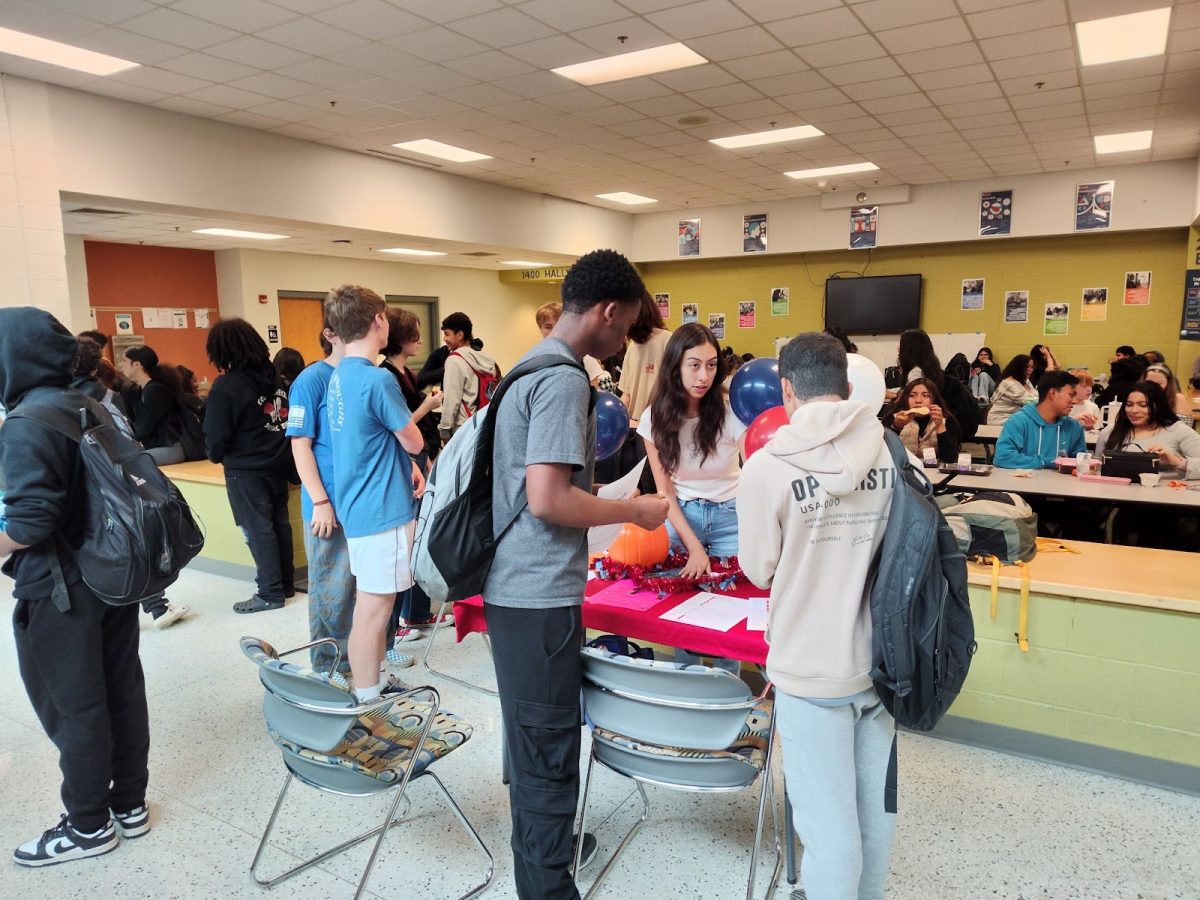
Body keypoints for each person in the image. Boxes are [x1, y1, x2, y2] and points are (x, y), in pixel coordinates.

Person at [484, 249, 668, 900]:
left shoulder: (526, 367)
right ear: (608, 311)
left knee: (532, 748)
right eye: (625, 330)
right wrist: (634, 510)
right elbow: (548, 499)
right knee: (547, 761)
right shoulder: (564, 378)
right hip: (538, 600)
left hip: (513, 593)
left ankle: (545, 861)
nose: (623, 346)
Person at [738, 331, 901, 900]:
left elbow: (759, 570)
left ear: (785, 387)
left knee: (827, 828)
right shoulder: (886, 450)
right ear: (846, 384)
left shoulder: (765, 468)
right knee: (872, 815)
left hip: (808, 669)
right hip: (881, 663)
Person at [1, 308, 151, 867]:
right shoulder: (88, 403)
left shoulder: (26, 422)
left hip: (61, 587)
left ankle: (87, 826)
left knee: (74, 707)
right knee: (121, 689)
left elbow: (30, 521)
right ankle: (128, 804)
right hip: (113, 576)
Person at [324, 285, 427, 700]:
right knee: (374, 610)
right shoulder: (377, 379)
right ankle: (368, 697)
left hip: (360, 503)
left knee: (372, 606)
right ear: (378, 321)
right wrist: (411, 457)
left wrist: (405, 466)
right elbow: (415, 441)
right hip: (381, 509)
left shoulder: (338, 375)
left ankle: (376, 681)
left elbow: (368, 441)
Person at [638, 323, 746, 673]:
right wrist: (694, 546)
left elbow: (759, 470)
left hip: (732, 517)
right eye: (694, 365)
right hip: (681, 517)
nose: (704, 375)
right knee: (683, 613)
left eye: (712, 365)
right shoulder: (654, 418)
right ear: (675, 366)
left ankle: (729, 691)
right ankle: (690, 683)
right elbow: (665, 491)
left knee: (731, 611)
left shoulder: (732, 413)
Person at [74, 340, 190, 630]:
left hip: (92, 481)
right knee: (132, 538)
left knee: (120, 541)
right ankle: (156, 605)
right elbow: (126, 436)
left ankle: (154, 606)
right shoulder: (106, 398)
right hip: (112, 478)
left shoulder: (63, 401)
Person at [204, 319, 295, 614]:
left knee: (258, 529)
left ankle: (269, 592)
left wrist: (215, 455)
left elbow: (216, 435)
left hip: (246, 469)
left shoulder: (226, 386)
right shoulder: (276, 378)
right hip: (279, 461)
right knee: (279, 524)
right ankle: (285, 584)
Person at [379, 308, 451, 651]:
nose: (421, 341)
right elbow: (402, 422)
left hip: (419, 458)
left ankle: (416, 611)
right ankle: (401, 624)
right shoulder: (385, 376)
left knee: (419, 538)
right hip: (407, 462)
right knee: (409, 543)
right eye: (415, 335)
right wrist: (429, 404)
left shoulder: (404, 372)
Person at [285, 325, 355, 682]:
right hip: (327, 503)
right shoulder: (311, 380)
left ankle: (367, 652)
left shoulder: (362, 376)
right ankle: (329, 665)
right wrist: (320, 501)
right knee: (332, 587)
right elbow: (300, 445)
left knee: (364, 587)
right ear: (331, 334)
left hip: (361, 501)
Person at [1095, 381, 1200, 480]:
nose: (1134, 410)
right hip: (1113, 494)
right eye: (1129, 404)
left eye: (1143, 405)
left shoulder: (1178, 430)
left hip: (1164, 496)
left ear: (1158, 406)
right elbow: (1097, 467)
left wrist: (1176, 461)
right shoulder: (1110, 431)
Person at [994, 370, 1086, 469]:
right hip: (1022, 483)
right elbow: (1003, 457)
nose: (1075, 401)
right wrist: (1049, 462)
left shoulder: (1074, 427)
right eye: (1071, 395)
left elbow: (1082, 464)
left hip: (1060, 484)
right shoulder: (1018, 421)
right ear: (1052, 393)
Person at [897, 330, 978, 439]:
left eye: (901, 346)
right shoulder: (934, 371)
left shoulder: (915, 373)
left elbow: (915, 406)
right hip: (949, 428)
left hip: (930, 429)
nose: (898, 350)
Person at [438, 311, 497, 444]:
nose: (444, 339)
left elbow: (451, 400)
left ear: (460, 335)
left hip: (464, 428)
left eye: (447, 334)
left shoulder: (455, 360)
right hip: (484, 423)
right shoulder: (484, 358)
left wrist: (444, 430)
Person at [120, 345, 186, 465]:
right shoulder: (141, 389)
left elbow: (141, 430)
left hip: (170, 447)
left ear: (137, 365)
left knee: (126, 462)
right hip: (158, 446)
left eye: (124, 361)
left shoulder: (155, 391)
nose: (121, 365)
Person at [618, 290, 671, 424]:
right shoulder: (633, 346)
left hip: (660, 426)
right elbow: (627, 395)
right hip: (634, 424)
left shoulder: (669, 341)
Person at [882, 377, 961, 463]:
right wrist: (896, 427)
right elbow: (882, 453)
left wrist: (940, 425)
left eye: (925, 395)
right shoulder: (893, 418)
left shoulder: (947, 421)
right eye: (912, 395)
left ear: (934, 399)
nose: (918, 400)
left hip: (934, 474)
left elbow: (950, 459)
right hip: (900, 472)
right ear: (906, 399)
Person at [536, 301, 611, 391]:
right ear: (540, 328)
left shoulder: (583, 356)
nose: (554, 331)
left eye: (559, 325)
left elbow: (591, 393)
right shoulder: (537, 356)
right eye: (548, 327)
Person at [986, 354, 1037, 425]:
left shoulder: (1025, 381)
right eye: (1027, 367)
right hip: (999, 419)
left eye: (1032, 367)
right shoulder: (1009, 384)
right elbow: (1031, 401)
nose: (1031, 370)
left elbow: (1036, 397)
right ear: (1019, 368)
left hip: (1014, 417)